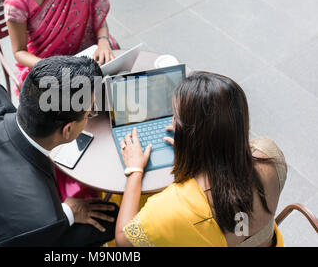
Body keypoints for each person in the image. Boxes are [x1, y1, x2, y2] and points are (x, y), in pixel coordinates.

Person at [0, 56, 118, 247]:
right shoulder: (43, 220)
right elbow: (35, 226)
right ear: (67, 129)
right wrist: (69, 212)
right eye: (88, 113)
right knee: (112, 220)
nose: (90, 115)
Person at [114, 72, 288, 247]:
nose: (173, 121)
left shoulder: (171, 208)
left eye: (176, 117)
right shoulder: (269, 153)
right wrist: (194, 145)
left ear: (191, 134)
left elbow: (124, 241)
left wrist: (135, 171)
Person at [0, 0, 119, 201]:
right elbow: (19, 52)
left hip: (88, 54)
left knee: (120, 95)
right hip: (46, 65)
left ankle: (116, 149)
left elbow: (100, 20)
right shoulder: (17, 1)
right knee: (57, 119)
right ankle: (76, 182)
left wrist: (105, 40)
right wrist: (54, 68)